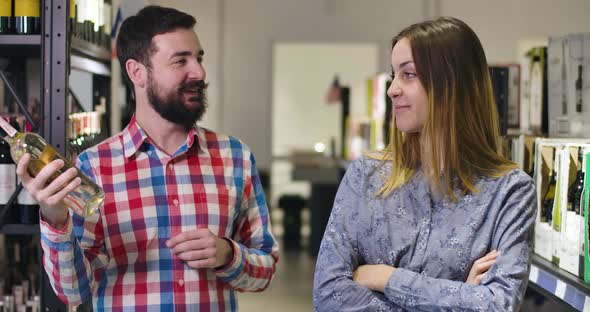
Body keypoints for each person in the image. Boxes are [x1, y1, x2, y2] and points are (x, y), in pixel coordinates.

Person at [16, 5, 279, 311]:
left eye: (199, 58)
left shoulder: (235, 157)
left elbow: (265, 269)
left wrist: (227, 254)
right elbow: (74, 292)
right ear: (137, 72)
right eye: (181, 60)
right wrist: (54, 215)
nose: (199, 72)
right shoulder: (94, 167)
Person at [313, 16, 536, 311]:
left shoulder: (510, 192)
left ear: (451, 83)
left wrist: (386, 278)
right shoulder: (366, 175)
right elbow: (328, 296)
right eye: (394, 75)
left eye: (408, 74)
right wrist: (458, 297)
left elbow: (499, 305)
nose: (392, 89)